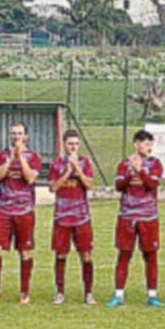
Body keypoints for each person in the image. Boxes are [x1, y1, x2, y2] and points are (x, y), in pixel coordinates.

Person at [0, 123, 42, 305]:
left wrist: (21, 158)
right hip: (4, 209)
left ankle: (24, 291)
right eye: (13, 134)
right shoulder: (2, 155)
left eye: (20, 134)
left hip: (24, 210)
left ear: (26, 136)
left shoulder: (33, 157)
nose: (16, 137)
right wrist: (11, 158)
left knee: (25, 251)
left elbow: (30, 178)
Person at [108, 129, 165, 308]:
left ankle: (152, 295)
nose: (149, 148)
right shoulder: (124, 164)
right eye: (145, 144)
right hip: (127, 215)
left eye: (150, 144)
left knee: (150, 255)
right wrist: (130, 173)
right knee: (124, 254)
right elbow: (118, 186)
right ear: (136, 145)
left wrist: (140, 171)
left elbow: (152, 184)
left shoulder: (155, 164)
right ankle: (118, 294)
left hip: (148, 216)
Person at [49, 129, 97, 306]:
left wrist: (77, 169)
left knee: (86, 254)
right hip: (62, 217)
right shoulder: (56, 164)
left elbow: (89, 184)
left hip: (82, 217)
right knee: (61, 254)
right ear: (64, 144)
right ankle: (60, 292)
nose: (73, 147)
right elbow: (53, 188)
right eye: (70, 144)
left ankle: (88, 293)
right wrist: (68, 172)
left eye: (76, 144)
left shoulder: (85, 162)